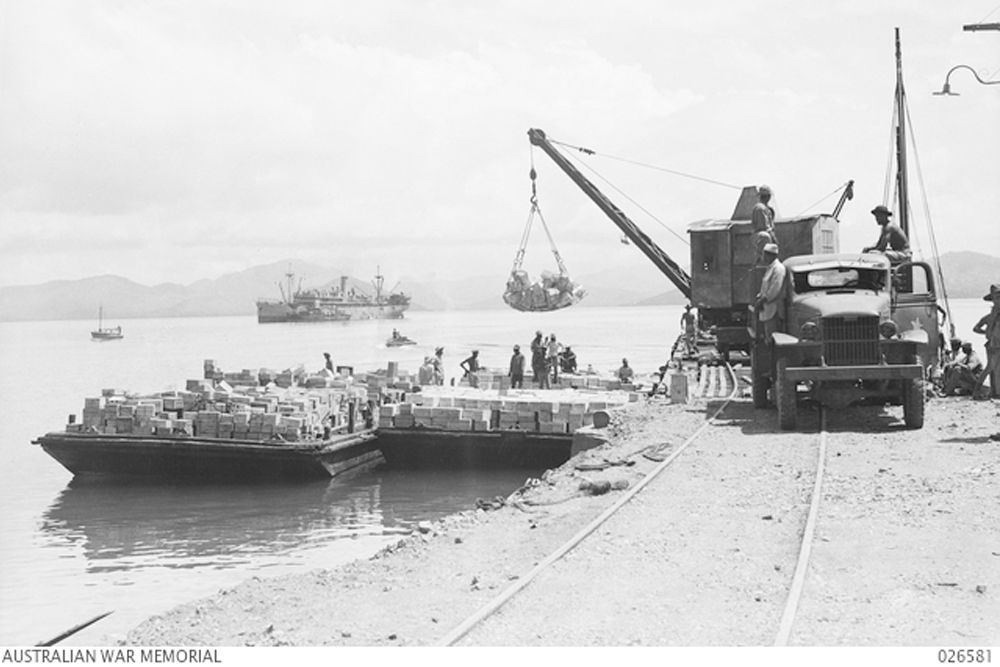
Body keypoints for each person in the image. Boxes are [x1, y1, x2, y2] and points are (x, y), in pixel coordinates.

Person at [972, 283, 1000, 399]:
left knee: (994, 368)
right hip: (994, 345)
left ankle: (994, 391)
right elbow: (976, 328)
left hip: (994, 344)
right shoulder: (992, 316)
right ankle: (979, 390)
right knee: (992, 367)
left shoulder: (993, 315)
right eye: (997, 298)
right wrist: (989, 334)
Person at [755, 243, 787, 340]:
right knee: (768, 338)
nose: (763, 257)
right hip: (767, 310)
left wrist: (763, 300)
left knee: (773, 339)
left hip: (774, 311)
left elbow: (775, 289)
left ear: (770, 256)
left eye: (764, 255)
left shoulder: (778, 269)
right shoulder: (770, 268)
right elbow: (765, 287)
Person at [751, 185, 776, 265]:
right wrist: (772, 236)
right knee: (765, 236)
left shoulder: (766, 208)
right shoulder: (760, 208)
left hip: (763, 234)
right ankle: (763, 261)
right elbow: (763, 227)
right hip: (759, 235)